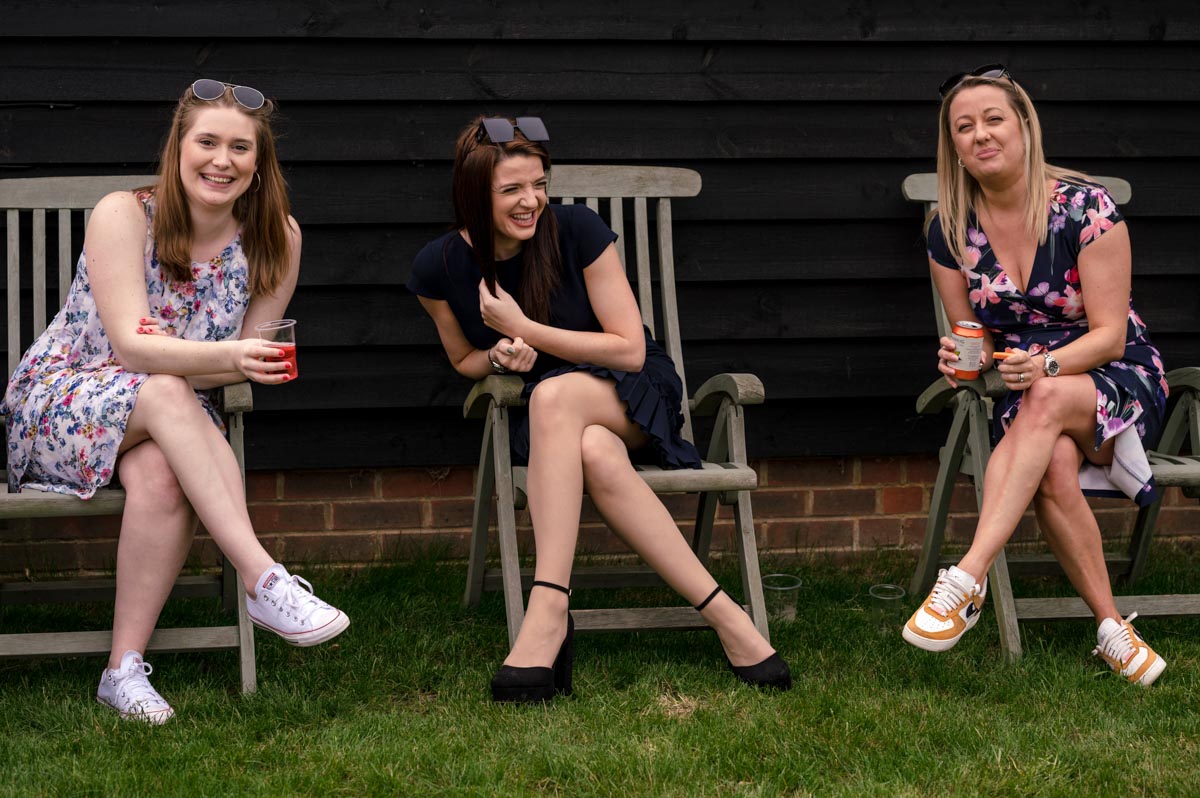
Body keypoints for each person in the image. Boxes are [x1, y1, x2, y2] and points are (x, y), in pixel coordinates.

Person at [408, 116, 791, 702]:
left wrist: (527, 328)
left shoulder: (579, 229)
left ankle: (547, 610)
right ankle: (731, 621)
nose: (531, 200)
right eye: (511, 189)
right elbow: (463, 359)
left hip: (629, 394)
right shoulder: (436, 267)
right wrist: (500, 355)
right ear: (472, 194)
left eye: (538, 183)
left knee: (556, 393)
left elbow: (630, 350)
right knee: (589, 447)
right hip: (553, 423)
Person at [1, 80, 349, 723]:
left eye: (239, 148)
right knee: (163, 389)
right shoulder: (123, 214)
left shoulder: (279, 239)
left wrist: (208, 360)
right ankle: (264, 580)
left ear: (259, 161)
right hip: (64, 401)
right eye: (207, 142)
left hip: (172, 418)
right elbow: (137, 355)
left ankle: (121, 669)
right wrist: (209, 359)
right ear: (178, 147)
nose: (222, 160)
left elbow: (245, 361)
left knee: (163, 474)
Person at [902, 64, 1169, 686]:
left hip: (1114, 374)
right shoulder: (947, 227)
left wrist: (1045, 364)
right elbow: (976, 336)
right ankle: (1111, 630)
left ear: (1024, 127)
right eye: (963, 128)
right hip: (1024, 386)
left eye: (994, 119)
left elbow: (1108, 334)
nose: (980, 135)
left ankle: (964, 577)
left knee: (1043, 397)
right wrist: (962, 364)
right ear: (955, 148)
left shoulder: (1085, 207)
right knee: (1046, 455)